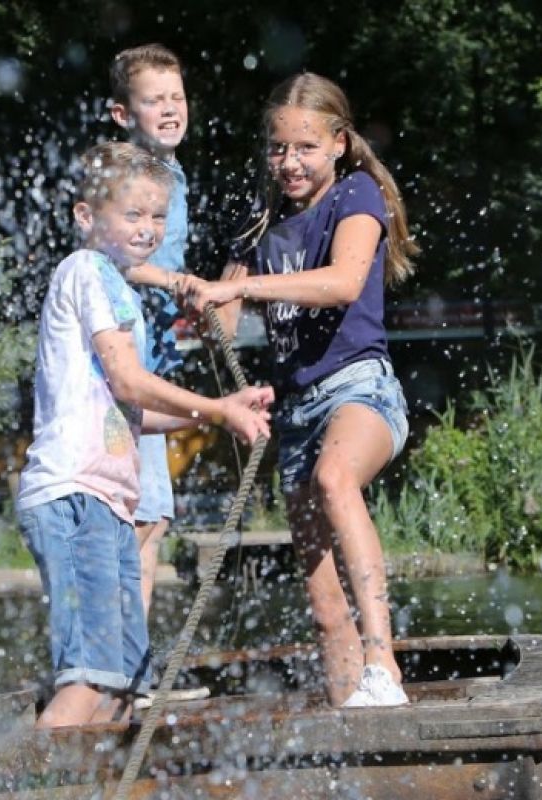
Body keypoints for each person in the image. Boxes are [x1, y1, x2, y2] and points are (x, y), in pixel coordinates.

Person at [178, 72, 419, 708]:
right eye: (278, 148)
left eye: (305, 147)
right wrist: (205, 302)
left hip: (360, 390)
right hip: (296, 413)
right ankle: (351, 725)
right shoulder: (261, 225)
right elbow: (221, 330)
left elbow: (342, 282)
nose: (290, 162)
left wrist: (244, 288)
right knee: (320, 601)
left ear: (338, 143)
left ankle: (383, 664)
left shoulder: (357, 197)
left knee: (336, 480)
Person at [17, 141, 273, 728]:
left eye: (158, 216)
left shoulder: (115, 285)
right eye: (133, 214)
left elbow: (131, 412)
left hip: (104, 502)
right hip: (72, 496)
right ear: (87, 216)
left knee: (119, 688)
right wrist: (217, 405)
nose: (148, 228)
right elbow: (131, 383)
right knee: (86, 683)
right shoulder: (86, 271)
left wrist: (218, 410)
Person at [106, 43, 190, 614]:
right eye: (153, 99)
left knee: (150, 517)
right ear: (122, 114)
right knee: (139, 518)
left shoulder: (170, 172)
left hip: (152, 362)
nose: (169, 108)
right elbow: (107, 257)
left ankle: (126, 664)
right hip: (127, 372)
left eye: (177, 97)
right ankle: (116, 667)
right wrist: (173, 281)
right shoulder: (128, 175)